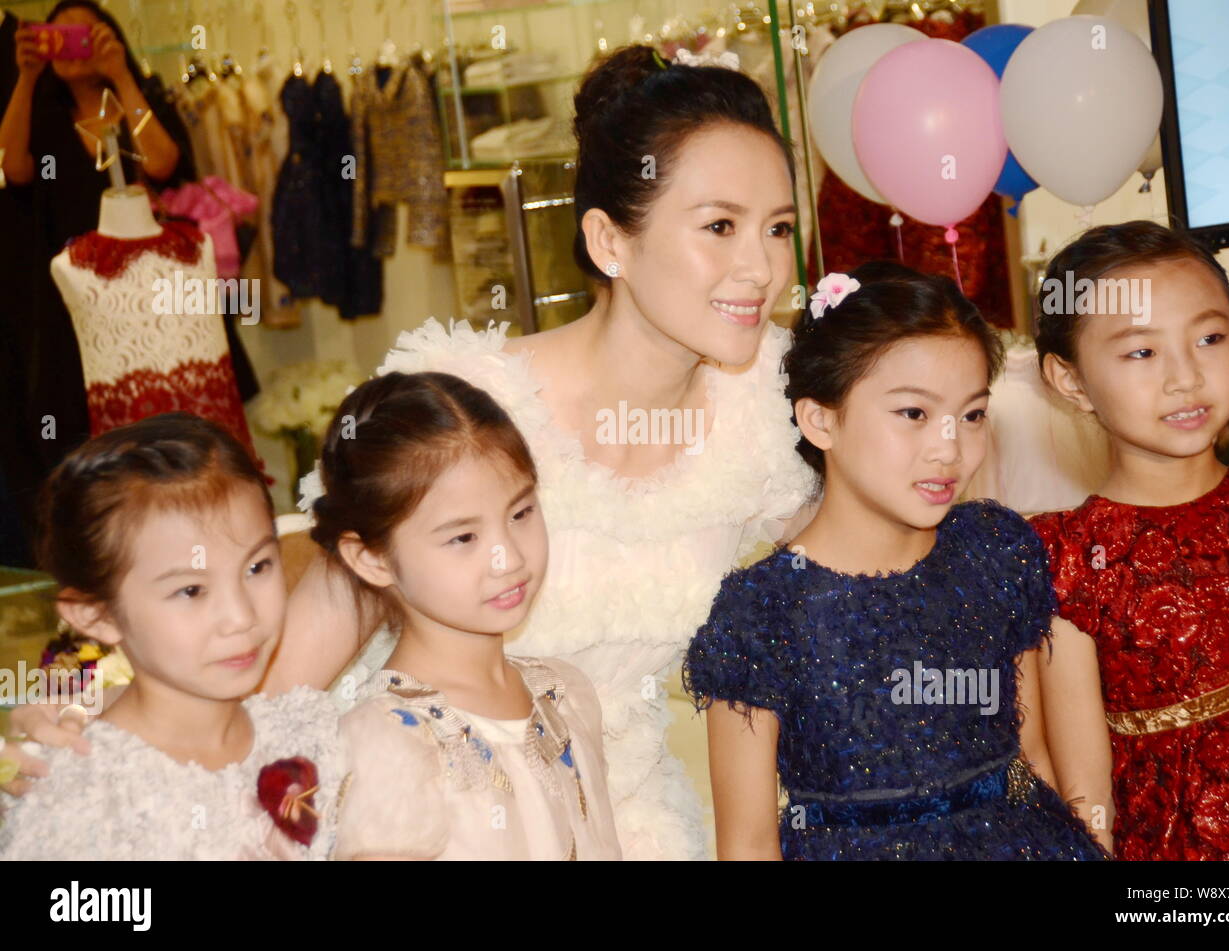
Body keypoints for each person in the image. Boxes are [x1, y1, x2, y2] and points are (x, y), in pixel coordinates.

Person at [6, 43, 818, 861]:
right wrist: (110, 739)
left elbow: (894, 509)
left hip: (616, 814)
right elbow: (309, 632)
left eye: (779, 228)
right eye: (720, 225)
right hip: (424, 807)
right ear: (609, 240)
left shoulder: (771, 402)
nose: (762, 266)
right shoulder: (470, 404)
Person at [683, 263, 1113, 860]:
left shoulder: (995, 550)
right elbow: (748, 842)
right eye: (914, 413)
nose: (949, 447)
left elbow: (1030, 755)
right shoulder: (763, 610)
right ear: (820, 419)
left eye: (972, 414)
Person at [1028, 221, 1229, 860]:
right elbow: (1084, 788)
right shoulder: (1065, 559)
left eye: (1209, 338)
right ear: (1069, 381)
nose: (1185, 377)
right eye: (1142, 353)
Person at [0, 414, 342, 860]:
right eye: (190, 590)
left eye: (257, 567)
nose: (240, 617)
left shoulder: (306, 726)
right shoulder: (82, 795)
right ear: (97, 615)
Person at [313, 372, 620, 860]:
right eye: (463, 538)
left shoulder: (566, 695)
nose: (509, 558)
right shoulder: (383, 743)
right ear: (371, 558)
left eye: (520, 513)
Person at [0, 0, 255, 562]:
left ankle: (204, 542)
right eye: (56, 37)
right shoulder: (42, 112)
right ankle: (119, 555)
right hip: (77, 294)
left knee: (176, 426)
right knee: (89, 430)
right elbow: (12, 167)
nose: (69, 48)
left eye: (84, 37)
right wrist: (25, 77)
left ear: (110, 39)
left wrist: (120, 77)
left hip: (155, 284)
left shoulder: (135, 106)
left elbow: (163, 160)